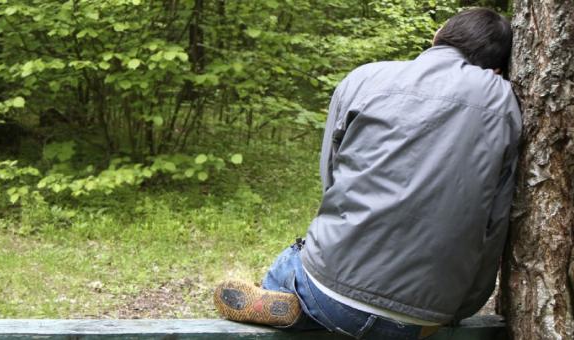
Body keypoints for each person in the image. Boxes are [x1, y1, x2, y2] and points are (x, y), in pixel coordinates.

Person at [213, 8, 521, 340]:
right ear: (498, 69)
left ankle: (297, 304)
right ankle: (336, 314)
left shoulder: (366, 78)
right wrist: (461, 307)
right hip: (424, 319)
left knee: (297, 265)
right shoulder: (505, 104)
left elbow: (331, 176)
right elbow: (495, 223)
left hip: (330, 285)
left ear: (438, 36)